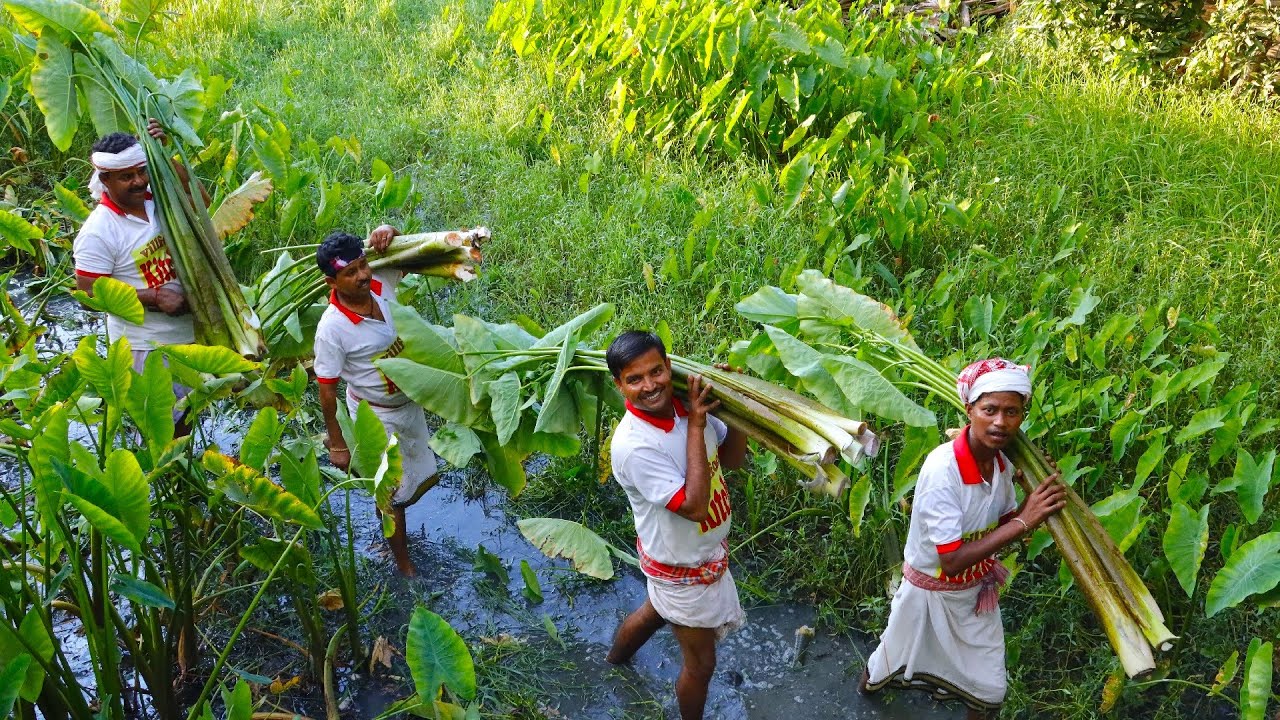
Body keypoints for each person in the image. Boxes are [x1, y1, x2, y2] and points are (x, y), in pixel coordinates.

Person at [860, 358, 1067, 719]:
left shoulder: (1001, 465)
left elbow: (997, 525)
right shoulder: (944, 470)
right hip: (928, 592)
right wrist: (1024, 521)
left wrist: (1028, 495)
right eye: (989, 410)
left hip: (973, 593)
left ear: (1022, 416)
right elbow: (951, 559)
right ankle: (862, 696)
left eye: (1012, 411)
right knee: (884, 666)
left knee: (989, 688)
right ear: (969, 409)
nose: (1000, 422)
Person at [603, 331, 748, 720]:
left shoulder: (685, 409)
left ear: (669, 367)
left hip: (693, 551)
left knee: (654, 611)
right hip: (680, 565)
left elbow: (732, 460)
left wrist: (739, 407)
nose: (649, 386)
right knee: (701, 667)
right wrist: (698, 427)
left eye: (656, 372)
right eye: (635, 379)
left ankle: (611, 663)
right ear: (619, 386)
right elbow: (696, 507)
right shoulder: (635, 446)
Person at [313, 226, 439, 577]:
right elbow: (327, 390)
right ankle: (403, 565)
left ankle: (388, 541)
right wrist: (337, 444)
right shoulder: (332, 329)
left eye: (362, 265)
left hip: (408, 405)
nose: (362, 276)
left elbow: (417, 254)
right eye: (349, 273)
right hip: (375, 413)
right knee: (390, 490)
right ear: (331, 282)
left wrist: (393, 233)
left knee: (411, 479)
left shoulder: (381, 282)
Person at [72, 120, 202, 432]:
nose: (139, 181)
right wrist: (153, 296)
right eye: (126, 176)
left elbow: (201, 202)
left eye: (141, 171)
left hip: (190, 335)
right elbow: (89, 295)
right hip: (147, 347)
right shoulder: (98, 231)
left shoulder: (155, 198)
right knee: (167, 432)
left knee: (191, 419)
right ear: (105, 179)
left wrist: (162, 154)